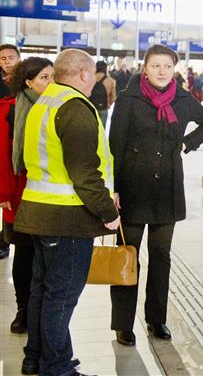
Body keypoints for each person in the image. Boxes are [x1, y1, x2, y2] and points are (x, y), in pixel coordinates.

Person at [14, 49, 121, 376]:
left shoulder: (44, 102)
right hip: (67, 218)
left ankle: (34, 358)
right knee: (60, 297)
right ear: (85, 75)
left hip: (39, 213)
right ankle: (58, 367)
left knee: (41, 291)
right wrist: (108, 212)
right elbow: (85, 173)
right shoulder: (74, 108)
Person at [109, 44, 203, 347]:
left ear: (175, 69)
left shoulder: (182, 99)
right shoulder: (129, 99)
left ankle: (157, 319)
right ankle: (123, 323)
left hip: (167, 187)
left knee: (161, 257)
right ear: (145, 68)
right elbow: (115, 143)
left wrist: (187, 143)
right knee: (128, 255)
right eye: (155, 66)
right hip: (133, 184)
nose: (161, 72)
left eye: (167, 66)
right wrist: (114, 187)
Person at [0, 57, 54, 334]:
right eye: (44, 77)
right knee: (24, 251)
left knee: (45, 253)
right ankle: (23, 309)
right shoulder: (9, 109)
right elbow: (2, 154)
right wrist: (4, 192)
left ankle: (42, 308)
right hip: (19, 192)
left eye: (52, 76)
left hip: (48, 192)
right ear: (28, 82)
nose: (50, 82)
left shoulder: (57, 108)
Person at [0, 43, 20, 260]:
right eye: (3, 58)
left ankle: (6, 240)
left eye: (10, 57)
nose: (6, 61)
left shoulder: (25, 80)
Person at [91, 61, 116, 126]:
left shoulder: (90, 78)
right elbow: (113, 96)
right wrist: (109, 104)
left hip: (91, 107)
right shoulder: (110, 80)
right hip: (103, 107)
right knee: (102, 129)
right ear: (105, 68)